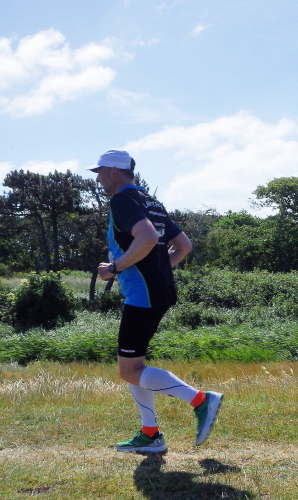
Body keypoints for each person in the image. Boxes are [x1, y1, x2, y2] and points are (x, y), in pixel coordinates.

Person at [89, 149, 223, 453]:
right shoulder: (150, 201)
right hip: (157, 290)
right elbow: (183, 246)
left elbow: (148, 238)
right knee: (134, 366)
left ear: (113, 171)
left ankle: (201, 400)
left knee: (128, 370)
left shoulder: (122, 200)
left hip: (143, 295)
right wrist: (158, 269)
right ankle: (150, 434)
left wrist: (114, 268)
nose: (98, 179)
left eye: (100, 172)